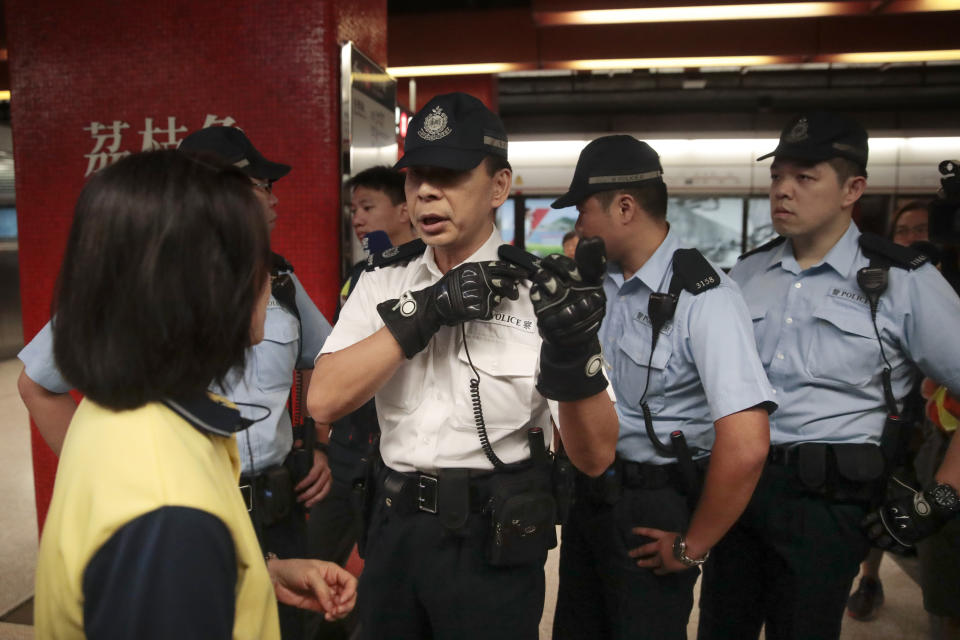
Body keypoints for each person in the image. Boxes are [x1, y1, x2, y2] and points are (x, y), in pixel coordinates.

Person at [308, 92, 619, 640]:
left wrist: (572, 354)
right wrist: (424, 313)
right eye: (416, 176)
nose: (426, 190)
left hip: (492, 544)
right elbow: (324, 400)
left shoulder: (539, 294)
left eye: (448, 175)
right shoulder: (384, 284)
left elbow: (594, 458)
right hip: (393, 531)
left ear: (499, 185)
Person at [18, 125, 333, 640]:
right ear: (208, 283)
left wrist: (255, 573)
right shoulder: (170, 515)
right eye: (249, 254)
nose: (265, 274)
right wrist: (191, 554)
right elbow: (165, 551)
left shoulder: (120, 421)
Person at [698, 111, 960, 640]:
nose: (783, 191)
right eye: (777, 177)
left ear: (852, 189)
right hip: (739, 492)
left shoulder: (903, 282)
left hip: (827, 507)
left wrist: (943, 495)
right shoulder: (746, 274)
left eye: (804, 177)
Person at [548, 135, 774, 640]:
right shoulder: (593, 286)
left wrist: (693, 546)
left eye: (583, 211)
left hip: (653, 505)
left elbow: (747, 445)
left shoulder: (706, 298)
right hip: (589, 499)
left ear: (624, 206)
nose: (578, 226)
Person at [308, 164, 415, 640]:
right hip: (347, 449)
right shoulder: (361, 276)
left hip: (391, 456)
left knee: (386, 576)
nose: (357, 218)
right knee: (317, 562)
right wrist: (323, 439)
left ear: (404, 210)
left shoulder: (425, 277)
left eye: (368, 207)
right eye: (354, 209)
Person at [847, 200, 931, 621]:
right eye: (906, 231)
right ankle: (870, 577)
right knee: (883, 496)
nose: (916, 238)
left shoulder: (936, 280)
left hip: (942, 420)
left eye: (924, 229)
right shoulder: (879, 282)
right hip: (899, 412)